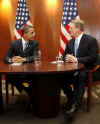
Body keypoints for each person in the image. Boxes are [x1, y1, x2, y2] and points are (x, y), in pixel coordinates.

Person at [61, 19, 98, 115]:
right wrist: (67, 57)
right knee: (60, 77)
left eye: (71, 28)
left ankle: (75, 106)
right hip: (71, 69)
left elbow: (93, 58)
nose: (69, 30)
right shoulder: (70, 42)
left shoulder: (91, 40)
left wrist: (77, 59)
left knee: (81, 76)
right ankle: (72, 98)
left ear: (78, 28)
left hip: (87, 69)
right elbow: (65, 56)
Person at [4, 25, 39, 96]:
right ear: (25, 34)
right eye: (32, 33)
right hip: (16, 71)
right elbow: (6, 57)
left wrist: (24, 59)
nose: (34, 34)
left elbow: (35, 56)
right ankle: (25, 90)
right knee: (12, 77)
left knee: (30, 80)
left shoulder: (35, 43)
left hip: (29, 70)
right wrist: (12, 60)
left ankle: (26, 91)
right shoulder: (14, 43)